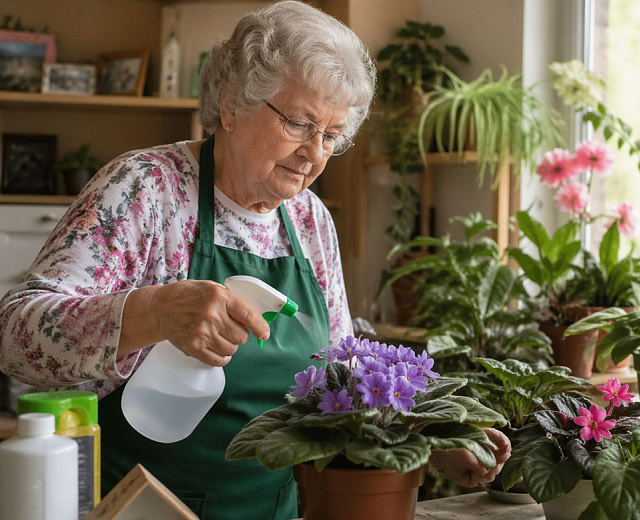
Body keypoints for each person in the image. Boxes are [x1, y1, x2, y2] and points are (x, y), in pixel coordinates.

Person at [0, 2, 509, 518]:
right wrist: (152, 314)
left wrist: (429, 433)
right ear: (231, 104)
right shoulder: (144, 190)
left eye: (331, 136)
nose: (314, 153)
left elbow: (337, 373)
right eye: (299, 123)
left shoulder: (311, 219)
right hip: (140, 506)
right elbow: (14, 337)